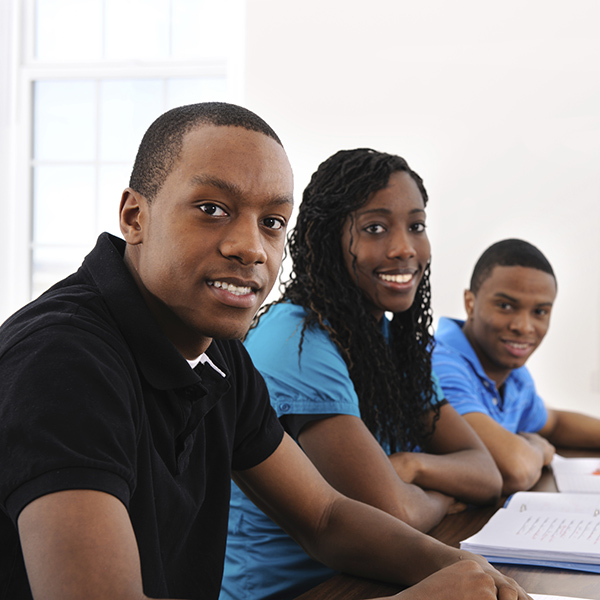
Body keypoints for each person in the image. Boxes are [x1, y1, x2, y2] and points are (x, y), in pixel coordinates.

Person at [0, 103, 528, 600]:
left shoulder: (218, 353)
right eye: (212, 209)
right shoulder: (62, 359)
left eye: (272, 222)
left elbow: (324, 516)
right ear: (135, 216)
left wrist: (459, 570)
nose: (250, 247)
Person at [221, 148, 503, 600]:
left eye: (416, 226)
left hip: (370, 579)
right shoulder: (295, 341)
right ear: (328, 239)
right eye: (375, 228)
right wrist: (444, 496)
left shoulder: (391, 342)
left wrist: (411, 466)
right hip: (296, 592)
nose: (404, 248)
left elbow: (486, 473)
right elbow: (394, 510)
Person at [432, 238, 600, 495]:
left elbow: (553, 423)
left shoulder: (513, 373)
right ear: (470, 303)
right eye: (505, 306)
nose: (524, 326)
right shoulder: (439, 362)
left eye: (540, 312)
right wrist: (537, 448)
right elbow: (515, 468)